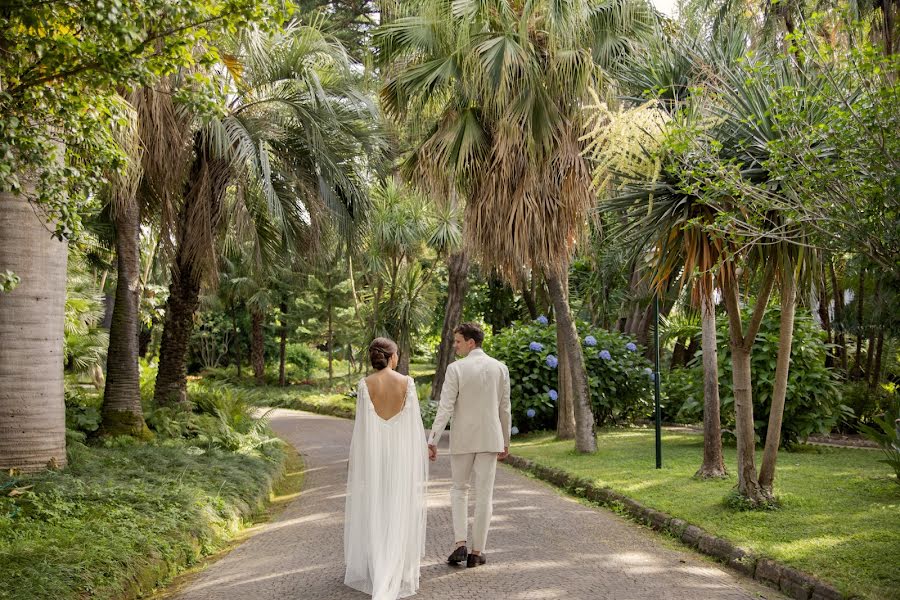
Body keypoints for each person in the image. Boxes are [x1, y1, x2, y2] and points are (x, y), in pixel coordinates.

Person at [344, 338, 429, 599]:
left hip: (375, 456)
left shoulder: (365, 385)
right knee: (399, 507)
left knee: (377, 507)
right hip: (401, 455)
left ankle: (378, 566)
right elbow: (414, 427)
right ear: (392, 357)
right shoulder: (408, 383)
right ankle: (398, 568)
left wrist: (360, 460)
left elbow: (362, 429)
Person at [427, 322, 511, 568]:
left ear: (471, 342)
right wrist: (506, 440)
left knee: (459, 490)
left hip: (463, 438)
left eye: (458, 341)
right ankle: (477, 552)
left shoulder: (456, 369)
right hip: (490, 437)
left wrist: (432, 439)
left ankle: (459, 543)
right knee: (485, 495)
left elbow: (445, 407)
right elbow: (504, 408)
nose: (455, 346)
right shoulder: (500, 368)